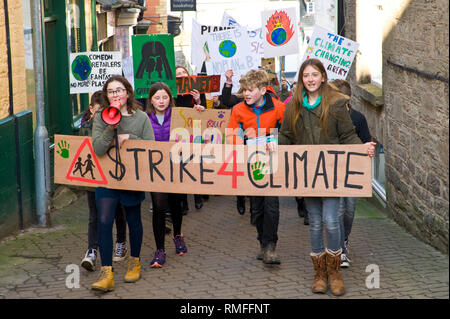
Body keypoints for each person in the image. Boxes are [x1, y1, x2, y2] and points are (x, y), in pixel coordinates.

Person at [278, 58, 375, 296]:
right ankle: (319, 274)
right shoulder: (294, 105)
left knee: (332, 221)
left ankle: (335, 272)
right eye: (306, 75)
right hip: (308, 174)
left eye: (314, 75)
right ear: (302, 79)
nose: (310, 79)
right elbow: (286, 135)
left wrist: (363, 148)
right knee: (315, 224)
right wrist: (276, 149)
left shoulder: (336, 103)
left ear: (323, 77)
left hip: (331, 173)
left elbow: (348, 136)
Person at [91, 75, 154, 292]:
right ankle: (107, 272)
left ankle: (134, 261)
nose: (116, 94)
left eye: (119, 90)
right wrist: (111, 128)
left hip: (131, 178)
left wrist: (130, 138)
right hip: (107, 179)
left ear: (127, 93)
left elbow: (151, 149)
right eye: (111, 91)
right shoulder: (100, 116)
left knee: (133, 219)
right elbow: (98, 149)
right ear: (107, 96)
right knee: (105, 220)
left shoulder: (141, 118)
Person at [226, 69, 285, 264]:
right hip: (251, 164)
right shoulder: (238, 110)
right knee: (257, 209)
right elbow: (233, 135)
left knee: (272, 207)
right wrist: (240, 144)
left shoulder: (278, 108)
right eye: (244, 90)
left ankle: (271, 247)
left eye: (250, 90)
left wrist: (276, 140)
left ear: (262, 89)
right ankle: (262, 242)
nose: (246, 94)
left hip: (272, 163)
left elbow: (287, 133)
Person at [79, 91, 128, 272]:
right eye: (98, 112)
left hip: (114, 176)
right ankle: (92, 250)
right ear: (91, 110)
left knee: (118, 212)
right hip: (94, 178)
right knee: (94, 215)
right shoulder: (85, 128)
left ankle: (121, 242)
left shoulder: (117, 125)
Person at [145, 82, 188, 268]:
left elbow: (197, 129)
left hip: (177, 168)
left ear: (170, 98)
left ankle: (178, 235)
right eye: (157, 97)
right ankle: (159, 249)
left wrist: (200, 110)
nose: (161, 101)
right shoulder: (145, 118)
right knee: (159, 207)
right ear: (151, 100)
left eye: (164, 97)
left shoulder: (180, 116)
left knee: (176, 205)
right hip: (156, 170)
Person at [330, 79, 372, 268]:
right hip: (331, 173)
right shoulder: (325, 118)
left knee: (349, 210)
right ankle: (340, 251)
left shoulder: (358, 119)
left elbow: (365, 143)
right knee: (337, 211)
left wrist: (368, 150)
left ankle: (344, 239)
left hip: (352, 174)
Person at [175, 65, 208, 212]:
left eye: (183, 72)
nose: (181, 75)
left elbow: (205, 112)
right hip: (179, 134)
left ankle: (197, 196)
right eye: (178, 74)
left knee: (195, 163)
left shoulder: (196, 91)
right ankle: (183, 202)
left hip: (195, 133)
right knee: (181, 165)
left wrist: (198, 100)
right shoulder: (172, 94)